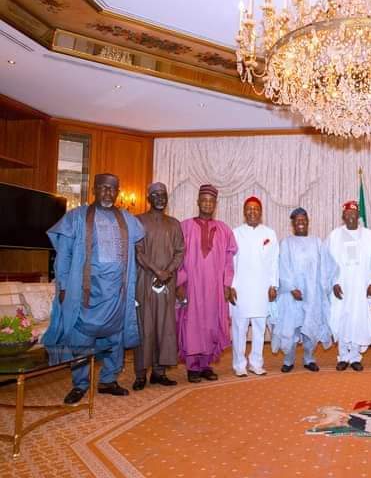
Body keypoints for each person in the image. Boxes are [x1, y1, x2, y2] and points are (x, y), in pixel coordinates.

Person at [45, 173, 144, 404]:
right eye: (103, 188)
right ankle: (80, 384)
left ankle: (108, 380)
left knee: (115, 337)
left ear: (118, 192)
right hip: (85, 292)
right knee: (81, 336)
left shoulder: (127, 219)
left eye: (113, 189)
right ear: (94, 190)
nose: (108, 193)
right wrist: (63, 285)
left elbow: (140, 247)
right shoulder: (76, 217)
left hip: (117, 292)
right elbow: (64, 255)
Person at [176, 184, 237, 383]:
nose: (207, 204)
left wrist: (227, 284)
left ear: (215, 204)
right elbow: (177, 257)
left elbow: (229, 261)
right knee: (192, 324)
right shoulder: (184, 227)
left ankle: (205, 365)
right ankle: (192, 366)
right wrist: (179, 283)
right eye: (204, 200)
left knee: (211, 324)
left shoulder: (224, 229)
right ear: (198, 202)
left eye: (211, 201)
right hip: (192, 285)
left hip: (214, 288)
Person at [133, 182, 185, 390]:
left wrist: (167, 272)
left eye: (163, 195)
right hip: (145, 281)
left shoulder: (174, 224)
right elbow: (138, 252)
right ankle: (140, 375)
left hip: (167, 283)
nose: (160, 198)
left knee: (165, 326)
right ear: (148, 198)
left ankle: (159, 372)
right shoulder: (139, 221)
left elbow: (180, 251)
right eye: (155, 195)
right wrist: (157, 271)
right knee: (144, 326)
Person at [272, 208, 337, 372]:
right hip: (291, 294)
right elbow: (283, 267)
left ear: (308, 222)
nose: (300, 223)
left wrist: (325, 287)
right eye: (297, 220)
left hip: (312, 294)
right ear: (293, 224)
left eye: (303, 220)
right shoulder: (286, 243)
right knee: (292, 327)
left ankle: (309, 358)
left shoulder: (317, 242)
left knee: (310, 326)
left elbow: (325, 266)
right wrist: (291, 288)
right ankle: (288, 360)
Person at [326, 201, 371, 372]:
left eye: (354, 214)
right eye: (347, 214)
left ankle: (355, 357)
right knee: (341, 319)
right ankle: (343, 357)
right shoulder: (334, 236)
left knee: (358, 319)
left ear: (358, 216)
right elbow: (328, 263)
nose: (351, 217)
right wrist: (334, 282)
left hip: (361, 286)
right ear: (343, 216)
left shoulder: (369, 236)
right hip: (341, 286)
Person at [229, 196, 279, 377]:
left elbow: (274, 262)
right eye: (249, 209)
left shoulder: (270, 233)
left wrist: (273, 285)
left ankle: (256, 362)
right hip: (240, 288)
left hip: (262, 289)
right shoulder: (235, 233)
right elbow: (230, 262)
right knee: (239, 328)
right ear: (244, 212)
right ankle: (239, 364)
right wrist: (230, 286)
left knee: (259, 328)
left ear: (261, 212)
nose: (252, 212)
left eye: (256, 209)